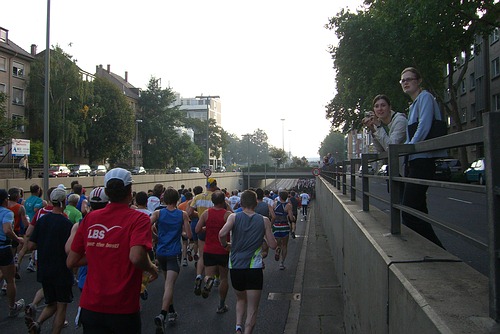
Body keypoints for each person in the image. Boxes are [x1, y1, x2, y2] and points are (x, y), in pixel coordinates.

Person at [67, 168, 158, 333]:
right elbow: (137, 257)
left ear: (107, 193)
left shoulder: (90, 218)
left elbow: (71, 261)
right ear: (130, 192)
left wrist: (99, 251)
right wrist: (152, 268)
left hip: (91, 304)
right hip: (122, 307)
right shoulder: (139, 219)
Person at [218, 190, 277, 334]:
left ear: (241, 203)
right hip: (254, 268)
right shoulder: (264, 220)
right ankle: (246, 331)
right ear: (256, 203)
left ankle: (238, 326)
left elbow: (221, 234)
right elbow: (273, 245)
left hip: (236, 267)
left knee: (240, 299)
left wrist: (226, 245)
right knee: (253, 308)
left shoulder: (233, 217)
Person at [400, 67, 446, 248]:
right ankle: (433, 249)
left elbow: (424, 128)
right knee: (418, 209)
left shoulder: (425, 98)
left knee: (409, 211)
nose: (405, 82)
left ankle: (437, 249)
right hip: (414, 161)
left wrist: (409, 149)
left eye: (409, 79)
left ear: (419, 81)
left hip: (423, 161)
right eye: (402, 80)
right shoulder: (413, 105)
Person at [25, 187, 74, 334]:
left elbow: (31, 245)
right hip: (61, 269)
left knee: (51, 302)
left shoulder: (42, 220)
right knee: (62, 306)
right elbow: (70, 248)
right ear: (64, 201)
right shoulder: (67, 224)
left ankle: (38, 323)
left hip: (44, 268)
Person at [151, 188, 191, 332]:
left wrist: (155, 237)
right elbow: (189, 234)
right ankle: (162, 315)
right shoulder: (182, 214)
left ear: (164, 199)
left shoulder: (158, 213)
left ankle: (172, 312)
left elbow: (146, 226)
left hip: (160, 253)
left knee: (168, 283)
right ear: (177, 199)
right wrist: (182, 232)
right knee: (169, 285)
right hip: (174, 253)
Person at [195, 190, 232, 313]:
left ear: (212, 201)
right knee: (223, 278)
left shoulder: (206, 213)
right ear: (223, 201)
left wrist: (205, 229)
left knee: (208, 274)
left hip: (209, 249)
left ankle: (208, 281)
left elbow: (197, 229)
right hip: (223, 250)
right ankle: (221, 305)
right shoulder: (227, 215)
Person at [187, 178, 218, 296]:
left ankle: (199, 275)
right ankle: (211, 277)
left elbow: (189, 212)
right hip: (213, 228)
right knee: (214, 254)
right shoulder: (216, 197)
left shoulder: (197, 197)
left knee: (202, 255)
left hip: (201, 227)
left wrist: (199, 215)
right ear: (215, 185)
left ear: (206, 185)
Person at [0, 189, 25, 318]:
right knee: (10, 279)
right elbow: (7, 230)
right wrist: (18, 239)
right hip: (4, 248)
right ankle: (12, 307)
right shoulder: (7, 213)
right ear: (5, 200)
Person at [272, 191, 295, 270]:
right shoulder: (288, 205)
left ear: (279, 196)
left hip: (276, 226)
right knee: (284, 245)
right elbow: (291, 218)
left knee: (278, 244)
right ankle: (282, 263)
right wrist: (293, 219)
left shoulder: (275, 204)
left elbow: (272, 215)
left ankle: (277, 251)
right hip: (284, 226)